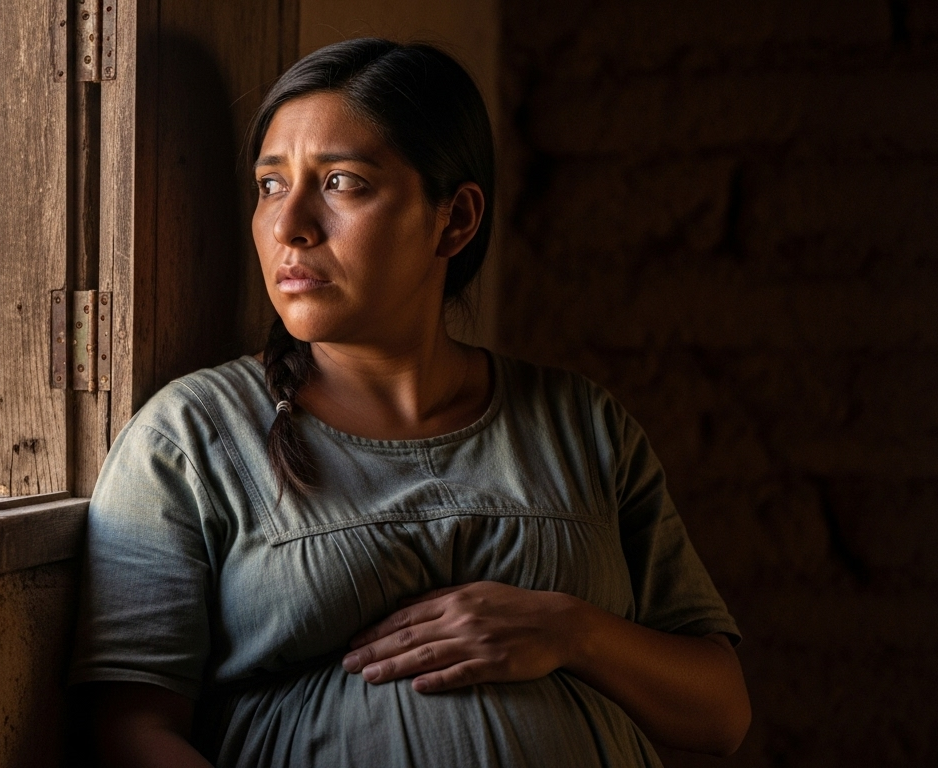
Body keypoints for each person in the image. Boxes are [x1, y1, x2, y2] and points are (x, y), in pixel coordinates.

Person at [68, 38, 751, 767]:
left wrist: (570, 631)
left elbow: (720, 715)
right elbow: (129, 733)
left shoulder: (580, 425)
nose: (289, 224)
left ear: (453, 220)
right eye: (271, 185)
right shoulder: (191, 439)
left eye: (341, 182)